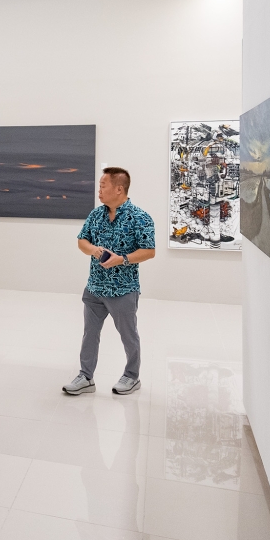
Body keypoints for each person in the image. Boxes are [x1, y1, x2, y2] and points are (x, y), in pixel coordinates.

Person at [63, 166, 156, 396]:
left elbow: (149, 251)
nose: (99, 191)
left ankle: (132, 376)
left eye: (103, 186)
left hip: (123, 290)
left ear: (119, 189)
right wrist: (94, 250)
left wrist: (121, 260)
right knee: (90, 334)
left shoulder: (140, 218)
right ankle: (85, 376)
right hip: (94, 287)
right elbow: (81, 241)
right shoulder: (96, 215)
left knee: (128, 335)